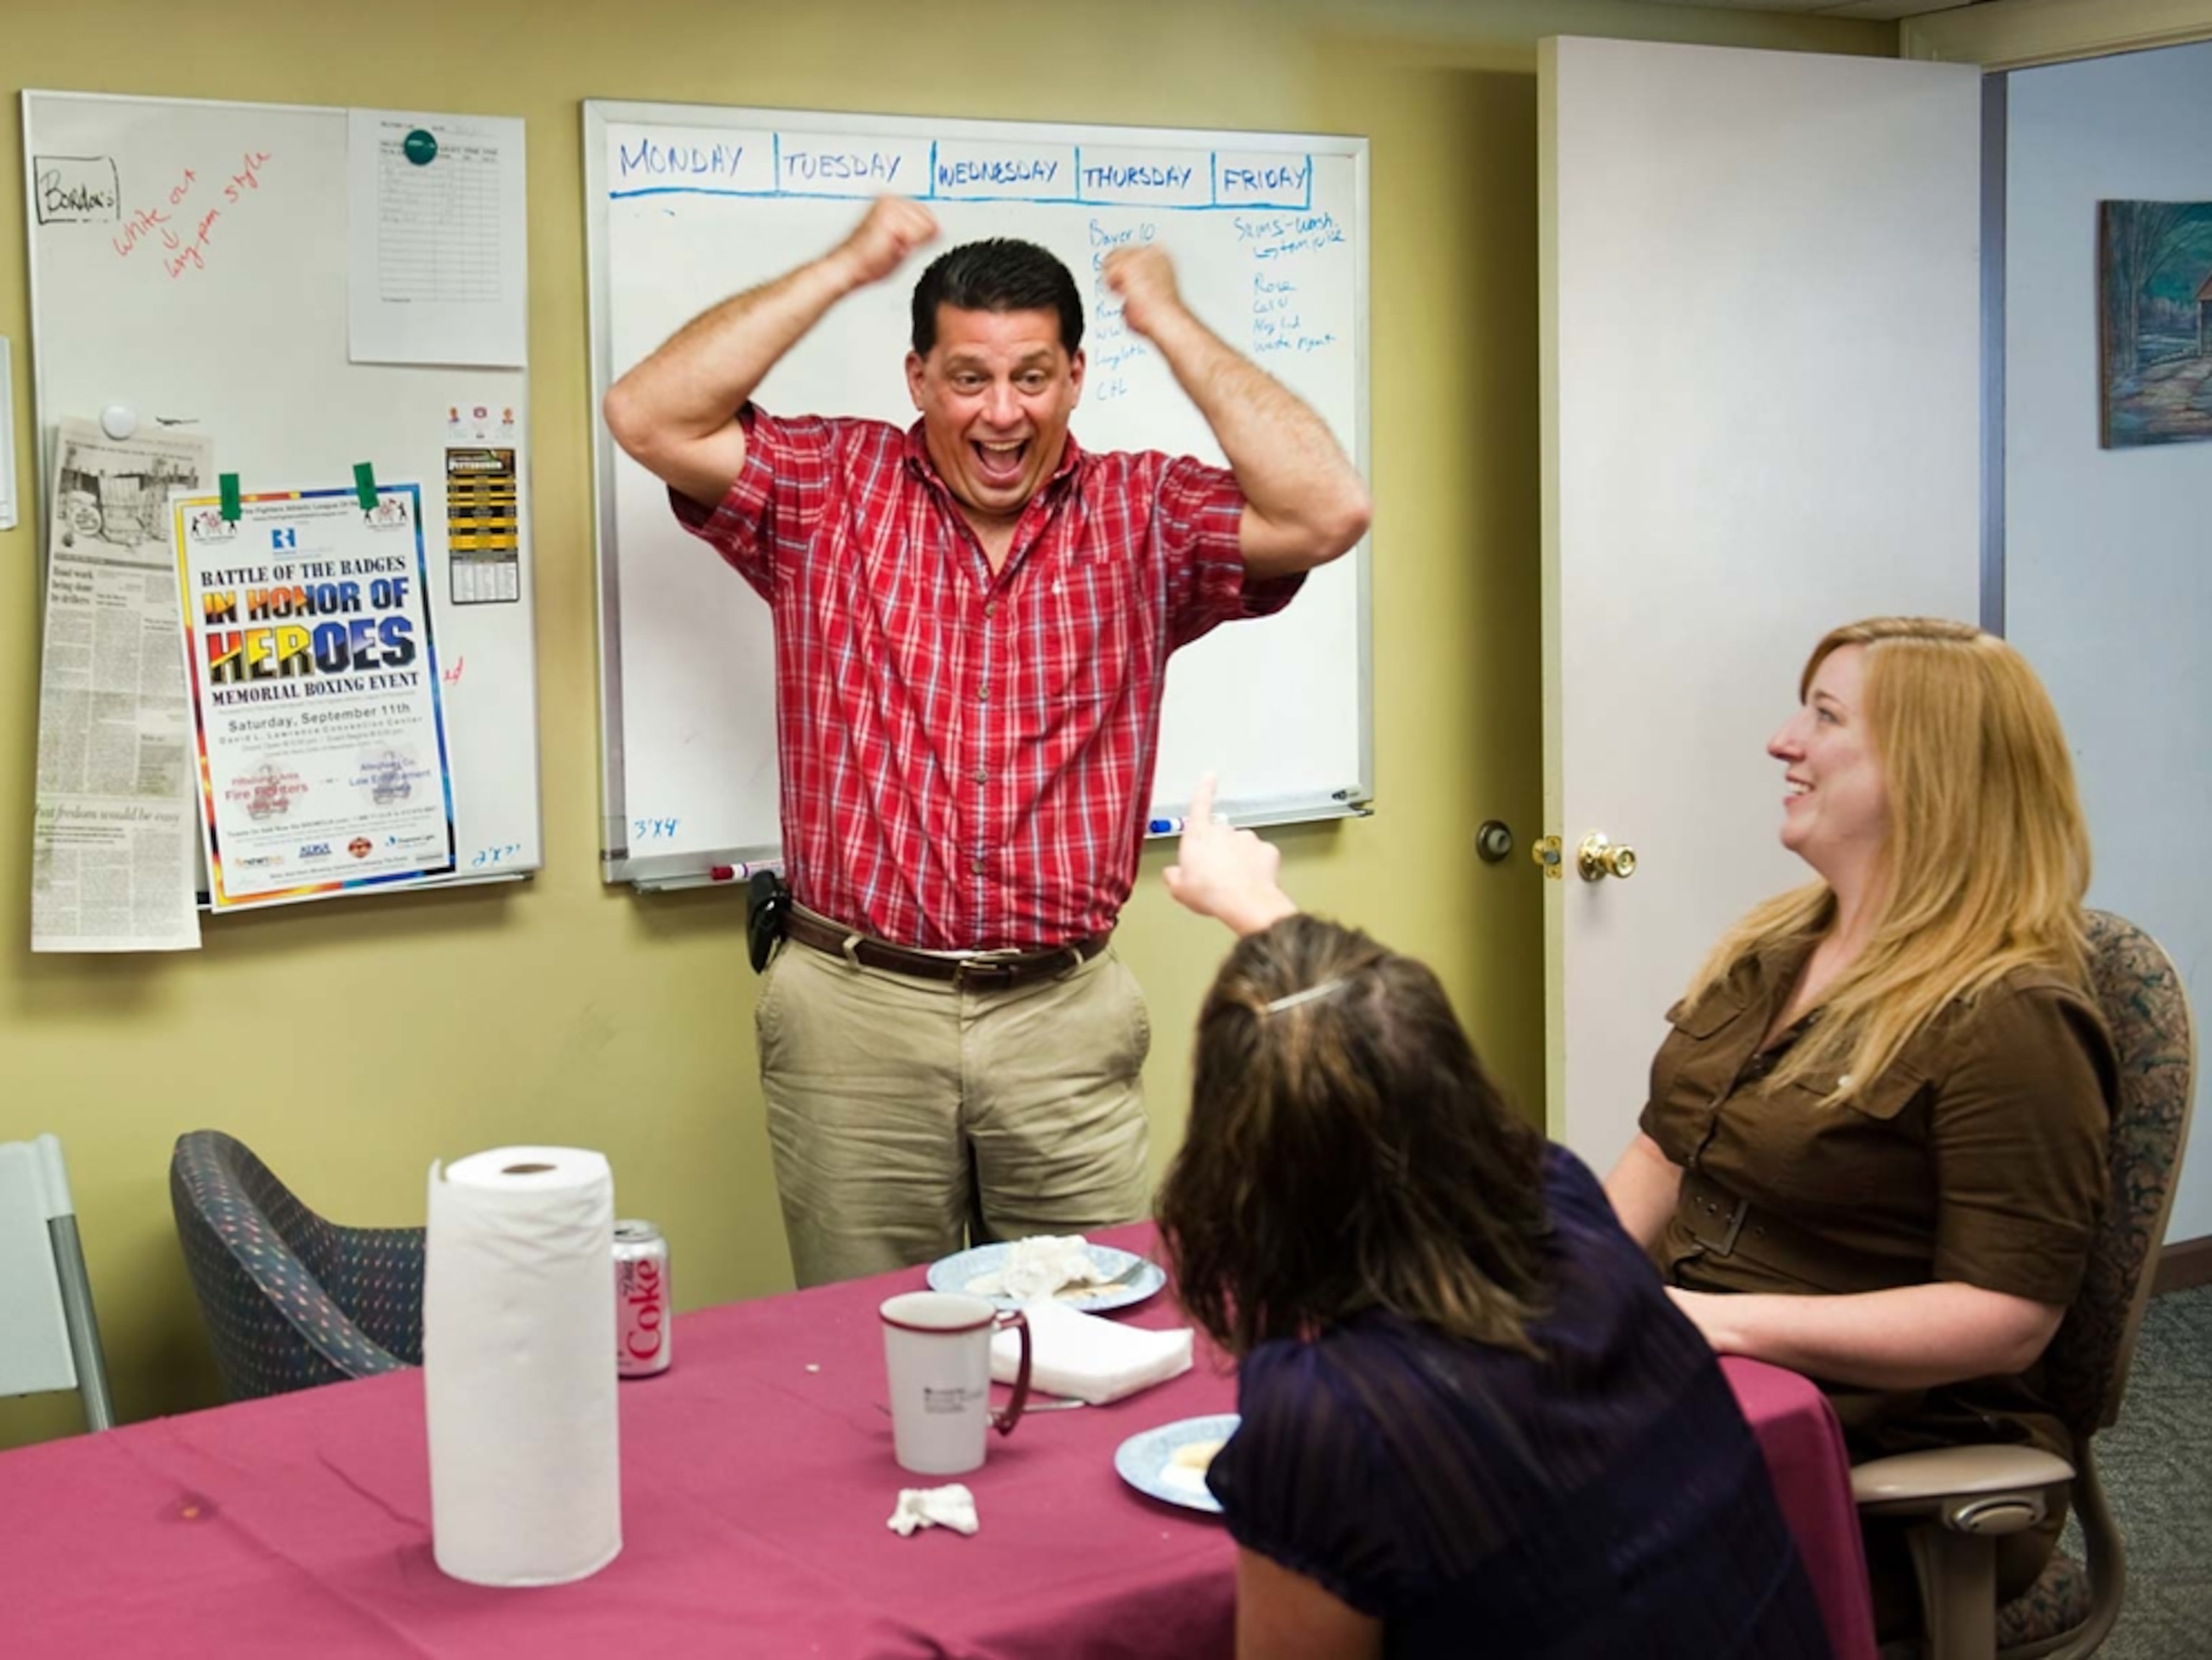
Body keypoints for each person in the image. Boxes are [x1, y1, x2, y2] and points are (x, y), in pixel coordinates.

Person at [603, 199, 1371, 1287]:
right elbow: (647, 414)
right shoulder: (829, 488)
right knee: (867, 1347)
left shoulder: (1142, 510)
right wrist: (845, 266)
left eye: (1032, 377)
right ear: (918, 378)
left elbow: (1327, 511)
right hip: (854, 1011)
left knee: (1100, 1326)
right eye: (969, 377)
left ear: (1073, 377)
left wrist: (1169, 319)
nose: (1001, 413)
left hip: (1061, 1017)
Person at [1157, 800, 1833, 1659]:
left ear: (1235, 1162)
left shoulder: (1326, 1414)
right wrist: (1254, 905)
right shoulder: (1566, 1208)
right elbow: (1385, 1048)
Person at [1601, 615, 2116, 1637]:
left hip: (1886, 1452)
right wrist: (1580, 1282)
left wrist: (1720, 1323)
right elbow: (1666, 1146)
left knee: (1499, 1560)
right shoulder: (1779, 939)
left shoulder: (2007, 1013)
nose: (1782, 741)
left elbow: (2006, 1313)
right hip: (1709, 1383)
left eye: (1825, 717)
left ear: (1927, 770)